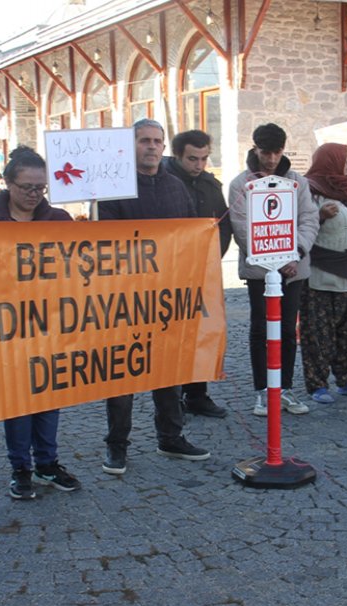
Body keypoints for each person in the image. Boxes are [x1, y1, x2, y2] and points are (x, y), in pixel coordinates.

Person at [98, 119, 211, 474]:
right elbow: (104, 242)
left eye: (157, 141)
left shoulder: (175, 185)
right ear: (131, 144)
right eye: (144, 140)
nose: (151, 146)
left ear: (164, 147)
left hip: (168, 294)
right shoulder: (113, 187)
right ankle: (117, 445)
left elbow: (190, 233)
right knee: (122, 375)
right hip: (124, 296)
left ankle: (171, 437)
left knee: (169, 367)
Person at [0, 147, 82, 499]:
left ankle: (47, 463)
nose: (35, 195)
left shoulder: (59, 220)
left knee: (50, 396)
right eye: (27, 187)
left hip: (51, 324)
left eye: (41, 188)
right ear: (8, 185)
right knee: (17, 400)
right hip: (7, 327)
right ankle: (20, 466)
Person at [229, 123, 321, 416]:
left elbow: (309, 219)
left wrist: (295, 253)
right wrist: (272, 258)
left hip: (294, 267)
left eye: (276, 152)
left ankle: (284, 388)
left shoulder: (298, 182)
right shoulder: (240, 183)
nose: (271, 159)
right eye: (265, 152)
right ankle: (261, 391)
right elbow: (241, 227)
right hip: (260, 269)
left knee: (286, 330)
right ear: (255, 148)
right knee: (260, 329)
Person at [162, 129, 230, 419]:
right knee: (172, 336)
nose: (199, 164)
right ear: (178, 155)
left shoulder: (210, 184)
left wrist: (213, 258)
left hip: (203, 270)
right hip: (169, 272)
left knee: (201, 334)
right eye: (192, 158)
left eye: (204, 158)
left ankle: (197, 394)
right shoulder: (164, 183)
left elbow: (224, 225)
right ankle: (171, 396)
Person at [300, 142, 347, 403]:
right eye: (343, 162)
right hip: (323, 272)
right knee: (319, 333)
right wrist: (318, 216)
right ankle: (317, 384)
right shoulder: (310, 190)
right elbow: (299, 225)